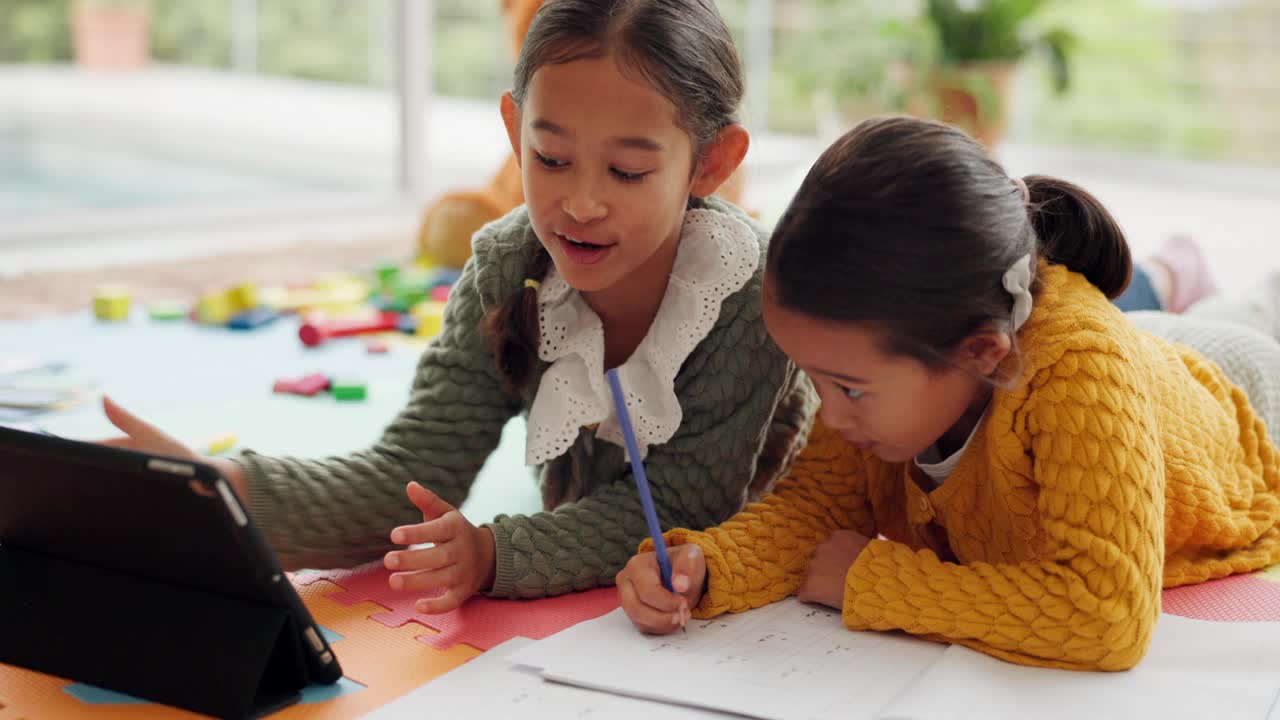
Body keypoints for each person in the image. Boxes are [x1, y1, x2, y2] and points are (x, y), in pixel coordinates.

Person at [102, 0, 815, 613]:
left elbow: (682, 509)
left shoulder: (745, 292)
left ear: (713, 163)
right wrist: (225, 490)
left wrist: (491, 554)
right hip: (595, 605)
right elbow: (405, 478)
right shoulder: (508, 265)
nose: (581, 203)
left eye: (628, 171)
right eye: (551, 157)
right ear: (515, 130)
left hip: (755, 599)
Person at [616, 115, 1280, 671]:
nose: (830, 413)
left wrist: (874, 583)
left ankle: (1195, 276)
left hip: (1238, 389)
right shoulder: (877, 375)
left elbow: (1108, 613)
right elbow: (817, 511)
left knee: (1251, 313)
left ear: (981, 353)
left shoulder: (1078, 371)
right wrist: (710, 564)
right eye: (816, 381)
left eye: (846, 388)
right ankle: (1174, 276)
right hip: (1133, 357)